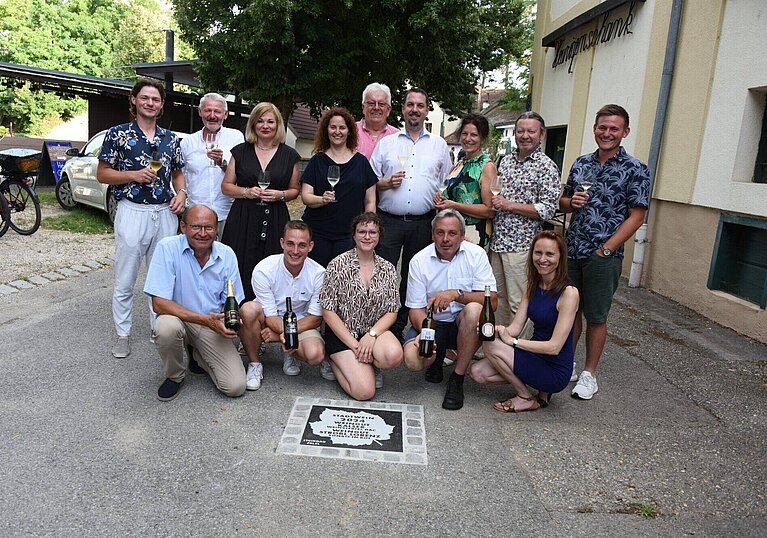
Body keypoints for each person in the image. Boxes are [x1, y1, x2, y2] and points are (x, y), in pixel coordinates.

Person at [559, 104, 650, 400]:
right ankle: (566, 364)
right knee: (570, 312)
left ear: (625, 132)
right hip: (573, 249)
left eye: (614, 128)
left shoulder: (635, 169)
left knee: (596, 315)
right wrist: (570, 202)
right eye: (602, 127)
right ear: (595, 128)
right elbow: (564, 200)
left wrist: (607, 250)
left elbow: (637, 216)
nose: (607, 133)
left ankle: (589, 374)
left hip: (603, 254)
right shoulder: (581, 163)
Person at [97, 79, 187, 359]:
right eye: (145, 98)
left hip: (164, 213)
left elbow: (178, 173)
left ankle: (158, 328)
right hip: (132, 210)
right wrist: (133, 175)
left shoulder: (170, 139)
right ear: (134, 100)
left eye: (156, 99)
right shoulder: (118, 134)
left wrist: (182, 193)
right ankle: (122, 333)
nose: (150, 103)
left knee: (162, 278)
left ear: (161, 105)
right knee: (126, 277)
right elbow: (102, 173)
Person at [370, 88, 453, 339]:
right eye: (410, 105)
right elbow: (369, 181)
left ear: (427, 110)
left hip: (422, 222)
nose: (415, 109)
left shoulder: (439, 145)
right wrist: (385, 182)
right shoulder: (387, 143)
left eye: (420, 105)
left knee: (412, 278)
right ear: (403, 109)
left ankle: (399, 328)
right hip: (389, 222)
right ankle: (376, 326)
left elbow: (447, 181)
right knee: (382, 276)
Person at [144, 205, 246, 401]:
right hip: (177, 318)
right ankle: (175, 375)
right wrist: (203, 320)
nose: (202, 233)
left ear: (216, 229)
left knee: (236, 387)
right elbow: (158, 303)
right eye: (196, 227)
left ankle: (198, 353)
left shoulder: (227, 254)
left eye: (208, 227)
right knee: (165, 327)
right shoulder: (167, 247)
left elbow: (232, 301)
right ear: (183, 226)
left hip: (212, 323)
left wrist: (229, 321)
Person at [470, 231, 578, 412]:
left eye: (550, 254)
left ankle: (525, 396)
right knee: (478, 373)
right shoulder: (533, 285)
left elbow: (554, 347)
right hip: (534, 357)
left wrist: (513, 342)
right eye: (538, 253)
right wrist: (496, 330)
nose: (542, 259)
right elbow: (514, 328)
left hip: (554, 369)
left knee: (490, 346)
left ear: (561, 258)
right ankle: (538, 392)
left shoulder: (569, 293)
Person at [402, 209, 496, 411]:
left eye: (452, 233)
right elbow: (415, 310)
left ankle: (457, 378)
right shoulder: (419, 261)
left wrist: (456, 294)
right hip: (433, 324)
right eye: (440, 232)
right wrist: (427, 336)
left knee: (473, 310)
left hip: (464, 325)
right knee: (412, 360)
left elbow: (492, 301)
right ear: (432, 234)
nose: (445, 239)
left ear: (463, 235)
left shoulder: (476, 255)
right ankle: (437, 357)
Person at [221, 102, 301, 301]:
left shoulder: (289, 155)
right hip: (243, 217)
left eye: (270, 122)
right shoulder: (239, 151)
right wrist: (247, 191)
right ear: (253, 124)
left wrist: (280, 195)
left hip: (275, 218)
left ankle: (269, 315)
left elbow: (295, 190)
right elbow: (226, 186)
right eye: (260, 121)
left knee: (272, 266)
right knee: (239, 264)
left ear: (278, 125)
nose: (265, 126)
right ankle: (236, 310)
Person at [319, 212, 403, 400]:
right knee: (364, 392)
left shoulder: (388, 268)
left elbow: (392, 310)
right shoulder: (337, 265)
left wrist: (371, 336)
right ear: (354, 235)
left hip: (373, 331)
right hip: (343, 334)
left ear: (379, 235)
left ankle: (369, 364)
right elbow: (328, 311)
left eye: (372, 232)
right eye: (362, 231)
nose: (367, 236)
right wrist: (356, 346)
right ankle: (333, 360)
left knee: (394, 355)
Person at [489, 111, 561, 328]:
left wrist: (509, 205)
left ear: (542, 135)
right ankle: (497, 350)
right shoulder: (505, 161)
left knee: (518, 303)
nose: (525, 135)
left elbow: (548, 209)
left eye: (531, 131)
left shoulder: (546, 167)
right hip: (498, 242)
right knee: (496, 301)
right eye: (521, 131)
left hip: (523, 246)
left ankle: (519, 353)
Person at [237, 221, 327, 390]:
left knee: (315, 355)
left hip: (300, 320)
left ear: (311, 246)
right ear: (281, 243)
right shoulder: (264, 269)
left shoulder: (319, 273)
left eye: (302, 245)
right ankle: (255, 364)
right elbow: (270, 316)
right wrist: (288, 333)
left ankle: (288, 348)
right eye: (290, 244)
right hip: (267, 316)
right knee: (248, 310)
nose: (295, 251)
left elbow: (315, 318)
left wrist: (283, 334)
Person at [300, 107, 377, 266]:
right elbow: (306, 196)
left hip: (348, 235)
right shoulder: (317, 161)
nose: (337, 131)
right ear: (326, 130)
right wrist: (322, 199)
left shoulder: (361, 162)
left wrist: (367, 228)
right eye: (333, 127)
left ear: (349, 131)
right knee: (318, 280)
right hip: (318, 233)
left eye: (342, 127)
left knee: (345, 282)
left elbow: (370, 201)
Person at [180, 93, 245, 239]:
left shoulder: (236, 138)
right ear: (200, 112)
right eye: (208, 110)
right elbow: (180, 175)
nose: (212, 115)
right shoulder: (188, 142)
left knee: (225, 255)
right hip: (196, 213)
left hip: (226, 211)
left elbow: (242, 175)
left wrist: (222, 163)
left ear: (225, 114)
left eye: (217, 111)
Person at [434, 113, 497, 246]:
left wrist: (454, 205)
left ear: (483, 138)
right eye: (464, 133)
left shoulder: (486, 166)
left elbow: (490, 210)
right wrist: (440, 198)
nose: (468, 138)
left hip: (473, 235)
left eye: (474, 135)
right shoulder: (459, 164)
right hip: (452, 233)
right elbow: (448, 194)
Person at [355, 83, 399, 159]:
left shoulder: (398, 137)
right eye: (371, 103)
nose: (376, 108)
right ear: (363, 108)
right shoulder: (350, 131)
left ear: (388, 110)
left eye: (381, 104)